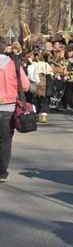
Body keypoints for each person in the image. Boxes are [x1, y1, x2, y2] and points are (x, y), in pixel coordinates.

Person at [0, 38, 29, 181]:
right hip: (8, 108)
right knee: (5, 140)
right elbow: (25, 86)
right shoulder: (13, 64)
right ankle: (2, 172)